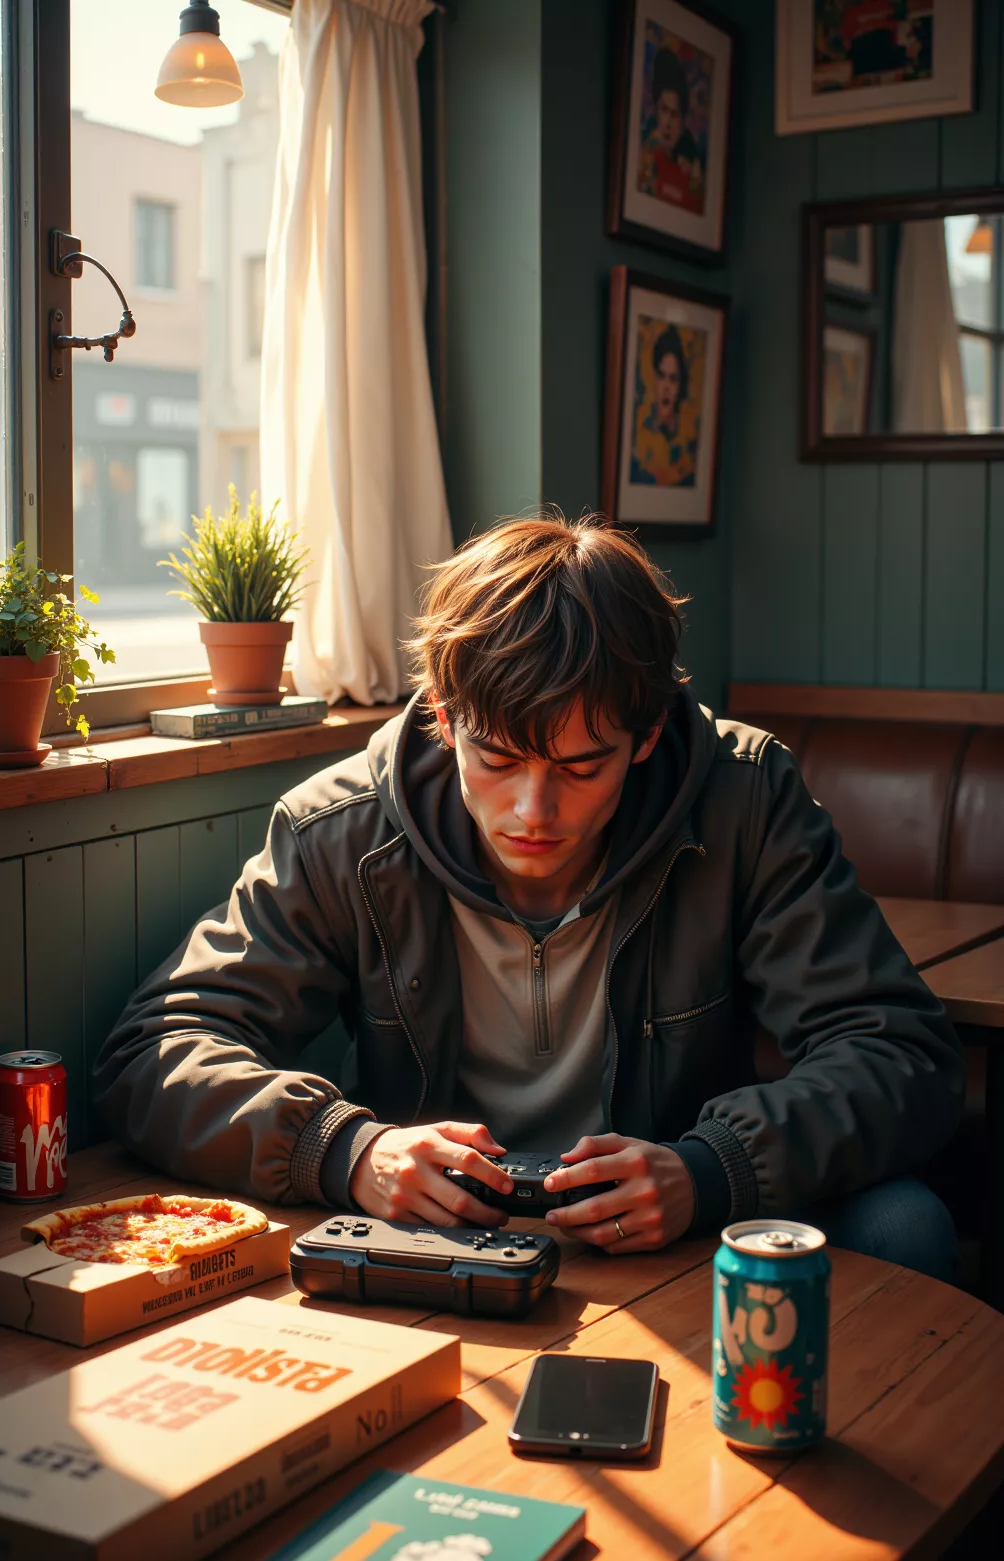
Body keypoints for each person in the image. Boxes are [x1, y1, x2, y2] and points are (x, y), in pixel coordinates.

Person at [94, 516, 964, 1282]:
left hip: (678, 1222)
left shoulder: (746, 801)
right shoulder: (341, 831)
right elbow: (154, 1052)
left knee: (906, 1224)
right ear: (444, 719)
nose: (533, 812)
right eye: (499, 760)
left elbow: (901, 1053)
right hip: (436, 1236)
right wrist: (347, 1150)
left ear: (647, 736)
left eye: (582, 767)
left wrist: (711, 1169)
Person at [638, 46, 703, 215]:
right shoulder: (647, 147)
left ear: (683, 120)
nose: (667, 123)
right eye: (663, 110)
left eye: (674, 115)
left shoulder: (691, 164)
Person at [631, 327, 697, 488]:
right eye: (661, 376)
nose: (666, 387)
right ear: (654, 378)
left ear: (680, 385)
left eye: (673, 379)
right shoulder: (640, 434)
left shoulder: (689, 439)